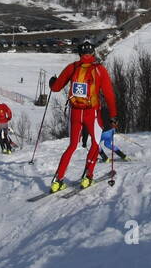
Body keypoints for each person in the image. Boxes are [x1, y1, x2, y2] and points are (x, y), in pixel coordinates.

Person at [48, 40, 117, 191]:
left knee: (72, 146)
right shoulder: (99, 70)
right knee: (95, 143)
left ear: (79, 53)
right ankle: (87, 177)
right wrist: (113, 116)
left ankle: (57, 180)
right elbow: (109, 95)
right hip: (92, 113)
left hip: (75, 113)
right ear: (93, 53)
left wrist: (52, 82)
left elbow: (56, 87)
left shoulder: (72, 67)